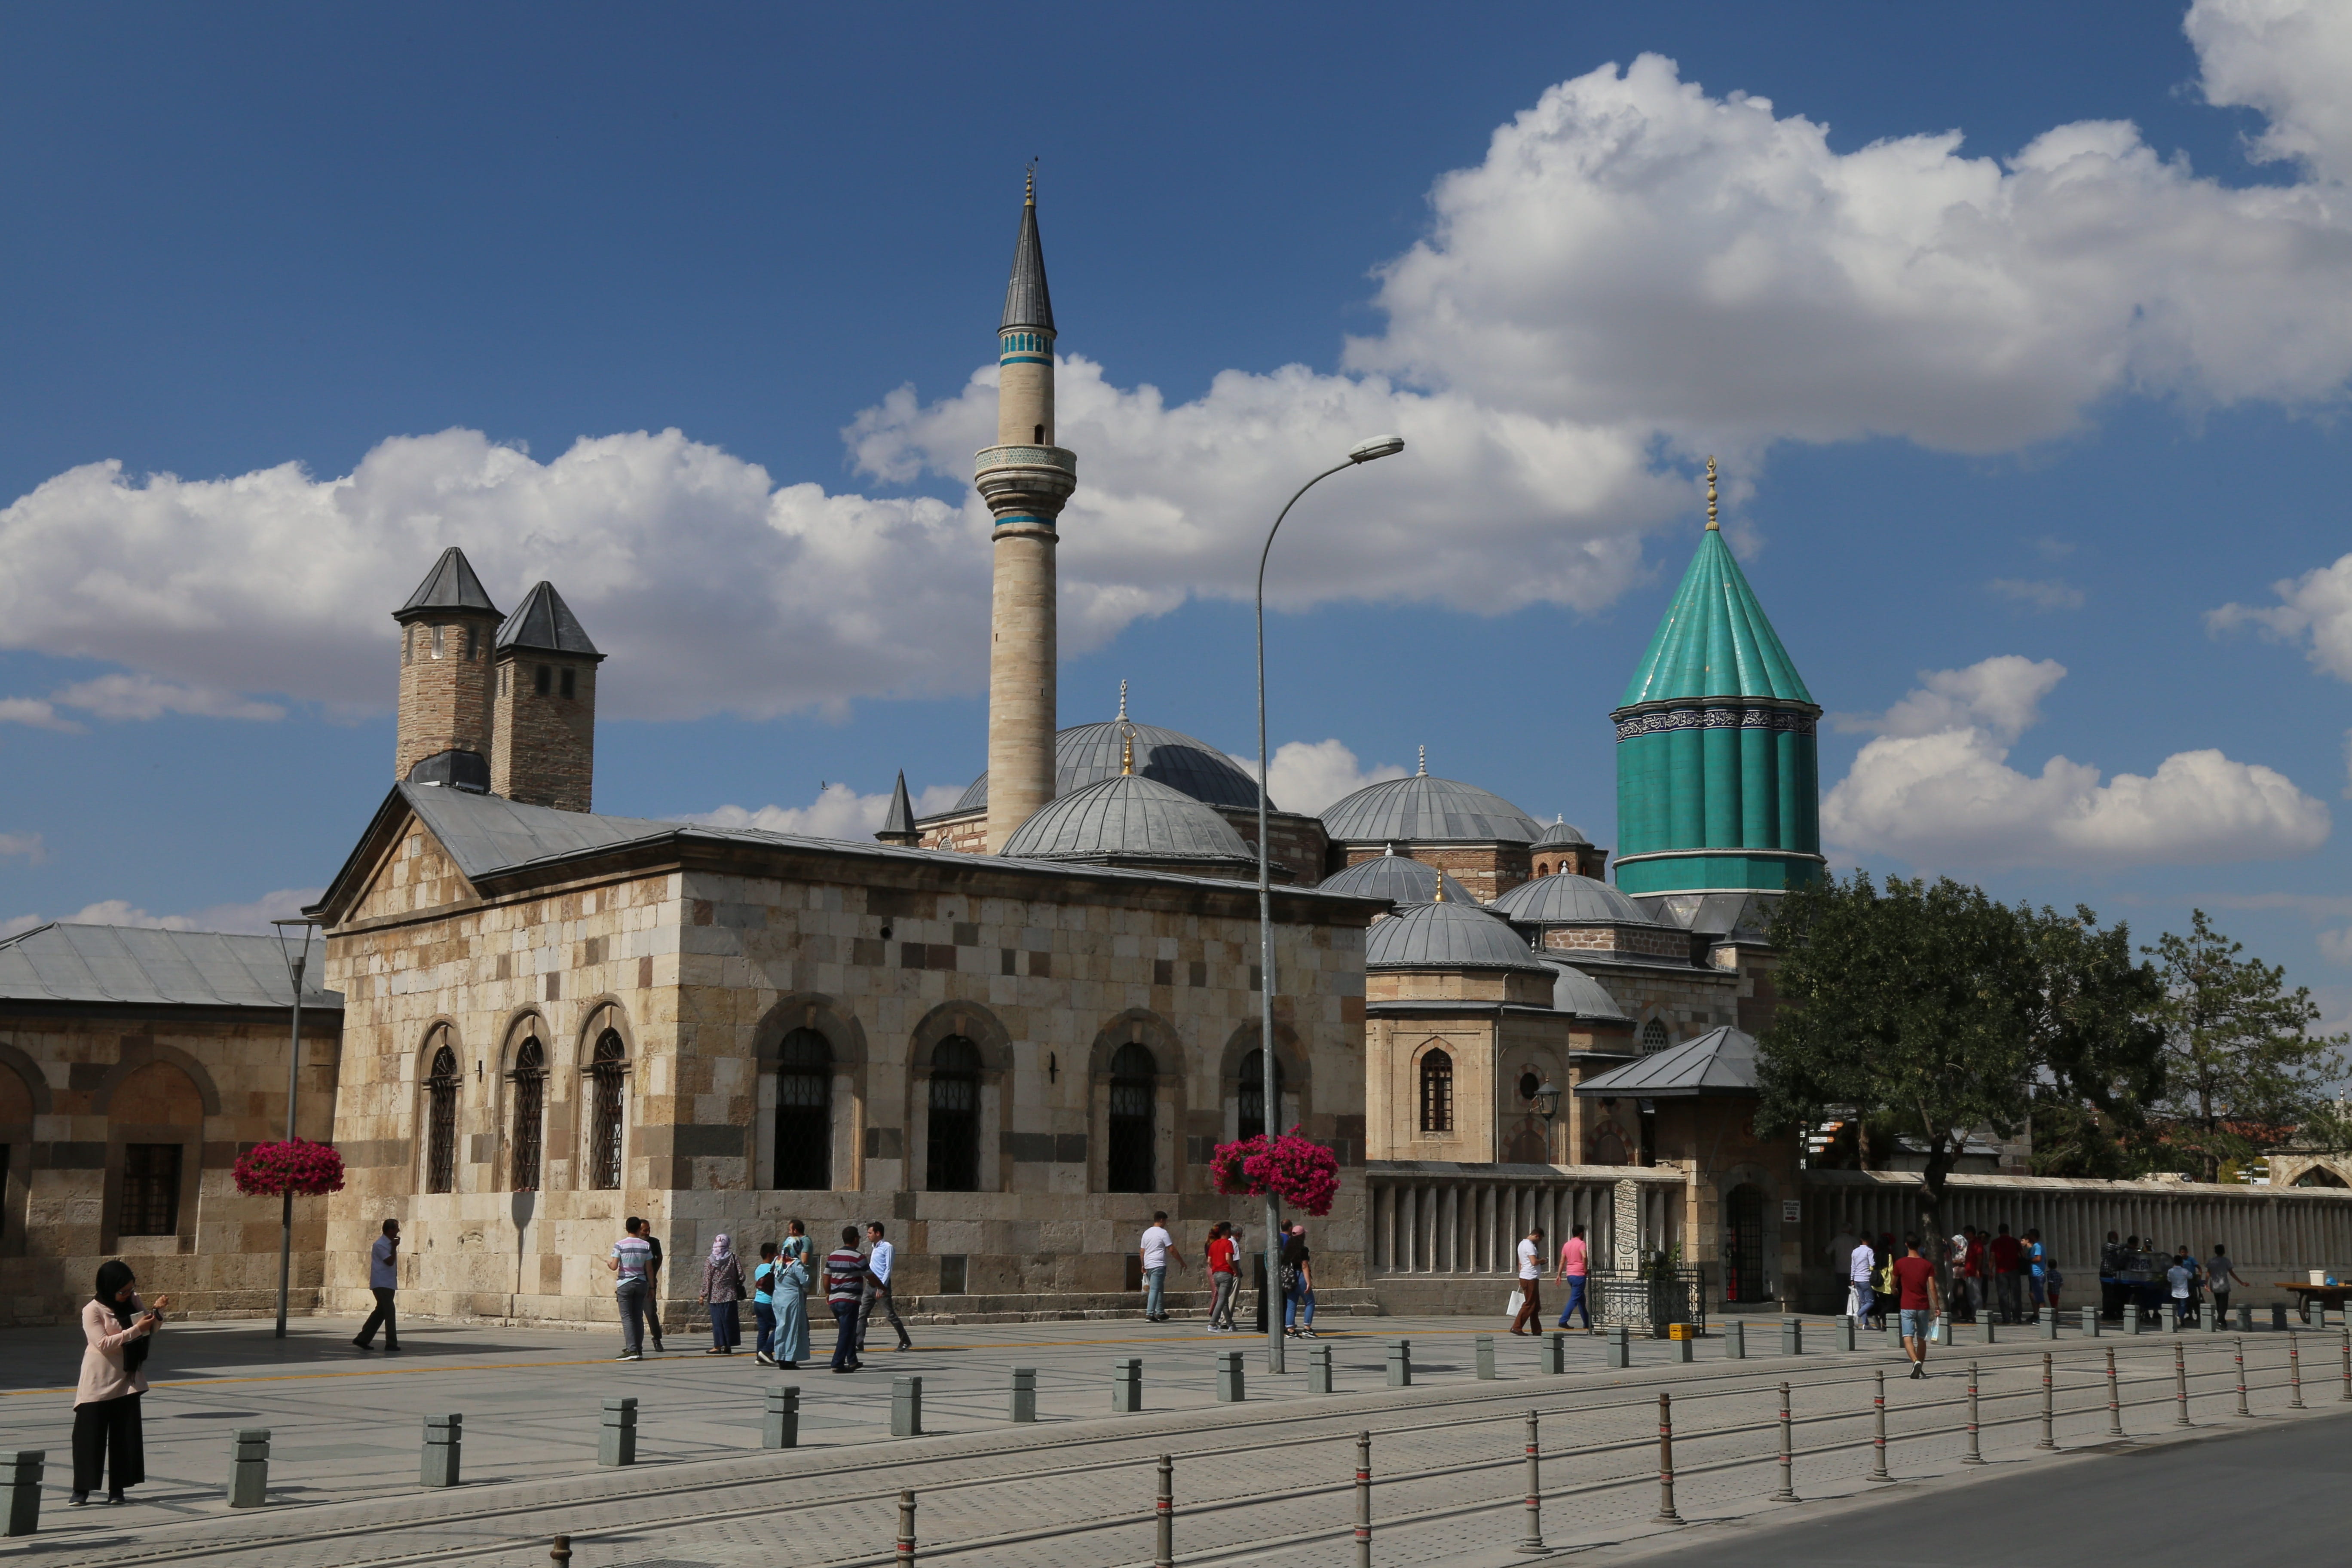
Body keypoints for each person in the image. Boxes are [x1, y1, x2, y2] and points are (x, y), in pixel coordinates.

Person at [74, 1261, 163, 1506]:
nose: (127, 1295)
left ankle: (118, 1489)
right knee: (89, 1436)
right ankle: (82, 1490)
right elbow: (103, 1343)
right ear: (108, 1287)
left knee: (125, 1436)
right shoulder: (92, 1310)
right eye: (122, 1291)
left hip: (127, 1378)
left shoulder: (133, 1300)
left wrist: (156, 1314)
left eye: (130, 1290)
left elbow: (149, 1329)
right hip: (99, 1379)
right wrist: (136, 1329)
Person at [1890, 1234, 1941, 1380]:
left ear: (1906, 1245)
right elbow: (1932, 1288)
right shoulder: (1927, 1265)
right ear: (1920, 1245)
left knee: (1907, 1337)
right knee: (1922, 1339)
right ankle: (1920, 1367)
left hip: (1907, 1305)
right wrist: (1937, 1306)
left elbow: (1893, 1283)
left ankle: (1915, 1361)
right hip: (1923, 1306)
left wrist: (1894, 1290)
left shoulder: (1900, 1264)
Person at [859, 1222, 913, 1352]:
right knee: (862, 1314)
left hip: (881, 1286)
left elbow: (888, 1269)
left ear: (878, 1233)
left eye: (870, 1233)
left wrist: (882, 1287)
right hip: (870, 1286)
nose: (868, 1236)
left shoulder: (887, 1247)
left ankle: (905, 1340)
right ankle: (858, 1343)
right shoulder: (875, 1247)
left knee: (889, 1315)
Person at [607, 1216, 654, 1360]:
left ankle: (632, 1350)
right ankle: (639, 1349)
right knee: (638, 1316)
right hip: (641, 1282)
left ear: (627, 1228)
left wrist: (609, 1264)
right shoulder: (646, 1246)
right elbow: (650, 1269)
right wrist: (652, 1287)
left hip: (625, 1283)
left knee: (627, 1317)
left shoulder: (620, 1245)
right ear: (640, 1229)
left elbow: (614, 1266)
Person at [824, 1226, 869, 1373]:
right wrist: (882, 1287)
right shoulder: (858, 1257)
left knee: (848, 1330)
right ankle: (837, 1363)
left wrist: (827, 1293)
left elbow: (826, 1277)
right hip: (849, 1300)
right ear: (856, 1239)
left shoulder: (833, 1255)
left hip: (835, 1300)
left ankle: (853, 1360)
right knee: (846, 1333)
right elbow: (870, 1276)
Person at [353, 1218, 401, 1352]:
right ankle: (391, 1343)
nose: (398, 1231)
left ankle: (363, 1339)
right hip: (382, 1283)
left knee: (380, 1313)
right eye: (396, 1228)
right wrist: (394, 1247)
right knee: (390, 1312)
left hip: (389, 1283)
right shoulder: (380, 1245)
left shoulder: (388, 1244)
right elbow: (390, 1262)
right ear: (390, 1230)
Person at [768, 1238, 812, 1369]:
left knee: (781, 1327)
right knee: (792, 1329)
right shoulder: (795, 1264)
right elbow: (805, 1281)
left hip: (778, 1299)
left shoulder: (777, 1261)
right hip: (792, 1300)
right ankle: (789, 1359)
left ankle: (780, 1355)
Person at [700, 1233, 746, 1354]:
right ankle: (728, 1346)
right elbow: (741, 1276)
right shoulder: (733, 1257)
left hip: (715, 1296)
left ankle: (718, 1346)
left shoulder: (710, 1260)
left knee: (718, 1321)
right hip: (730, 1294)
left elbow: (707, 1279)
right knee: (729, 1321)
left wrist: (703, 1294)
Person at [1139, 1213, 1176, 1323]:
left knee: (1159, 1288)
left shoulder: (1147, 1233)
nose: (1165, 1224)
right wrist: (1182, 1262)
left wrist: (1143, 1265)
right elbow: (1171, 1249)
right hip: (1158, 1264)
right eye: (1165, 1221)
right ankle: (1150, 1314)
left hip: (1149, 1264)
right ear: (1161, 1220)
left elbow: (1142, 1251)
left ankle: (1160, 1312)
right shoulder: (1163, 1233)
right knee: (1155, 1290)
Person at [1283, 1222, 1318, 1338]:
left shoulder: (1287, 1248)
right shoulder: (1303, 1249)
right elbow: (1305, 1266)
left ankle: (1290, 1329)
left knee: (1291, 1303)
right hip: (1300, 1276)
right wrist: (1309, 1282)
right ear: (1302, 1236)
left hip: (1290, 1278)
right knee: (1310, 1302)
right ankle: (1307, 1328)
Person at [1555, 1223, 1592, 1332]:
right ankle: (1563, 1320)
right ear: (1581, 1233)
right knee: (1575, 1298)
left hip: (1570, 1274)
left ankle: (1587, 1322)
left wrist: (1559, 1275)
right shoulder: (1581, 1244)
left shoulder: (1567, 1245)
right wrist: (1586, 1269)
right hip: (1579, 1274)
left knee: (1581, 1299)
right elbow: (1585, 1257)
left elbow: (1562, 1261)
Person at [751, 1242, 782, 1366]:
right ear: (770, 1255)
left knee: (763, 1330)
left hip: (758, 1302)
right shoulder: (772, 1269)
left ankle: (760, 1356)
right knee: (780, 1327)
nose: (778, 1255)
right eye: (776, 1253)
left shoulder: (759, 1268)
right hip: (768, 1303)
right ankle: (766, 1351)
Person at [1509, 1225, 1544, 1335]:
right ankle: (1517, 1327)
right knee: (1529, 1303)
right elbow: (1534, 1262)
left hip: (1525, 1276)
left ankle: (1537, 1329)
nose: (1539, 1242)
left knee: (1536, 1305)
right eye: (1540, 1239)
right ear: (1537, 1236)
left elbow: (1520, 1263)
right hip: (1530, 1277)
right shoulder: (1530, 1246)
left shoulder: (1521, 1244)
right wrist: (1542, 1261)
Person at [1205, 1222, 1240, 1332]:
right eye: (1230, 1230)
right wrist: (1235, 1270)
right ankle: (1212, 1323)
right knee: (1223, 1299)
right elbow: (1229, 1258)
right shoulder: (1228, 1243)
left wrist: (1215, 1268)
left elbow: (1209, 1261)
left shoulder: (1213, 1244)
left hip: (1216, 1274)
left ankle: (1230, 1324)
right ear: (1226, 1232)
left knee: (1223, 1300)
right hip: (1225, 1273)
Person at [1989, 1223, 2023, 1324]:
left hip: (2001, 1272)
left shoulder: (1995, 1243)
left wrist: (1991, 1271)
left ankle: (2006, 1318)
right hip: (2015, 1270)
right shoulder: (2015, 1241)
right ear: (2008, 1231)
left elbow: (1992, 1257)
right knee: (2016, 1295)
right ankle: (2017, 1318)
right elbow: (2023, 1255)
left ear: (1999, 1232)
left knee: (2003, 1296)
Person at [641, 1222, 668, 1352]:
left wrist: (654, 1272)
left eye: (649, 1230)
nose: (647, 1233)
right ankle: (634, 1342)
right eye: (644, 1230)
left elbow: (660, 1257)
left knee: (651, 1312)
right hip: (634, 1281)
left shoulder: (654, 1242)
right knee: (634, 1315)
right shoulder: (632, 1243)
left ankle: (657, 1339)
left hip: (648, 1282)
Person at [1845, 1234, 1874, 1322]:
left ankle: (1866, 1323)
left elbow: (1853, 1266)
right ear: (1869, 1240)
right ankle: (1858, 1314)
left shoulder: (1855, 1251)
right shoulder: (1869, 1251)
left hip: (1857, 1279)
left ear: (1861, 1239)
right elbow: (1872, 1264)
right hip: (1865, 1278)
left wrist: (1852, 1278)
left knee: (1863, 1302)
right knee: (1871, 1302)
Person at [2099, 1230, 2126, 1322]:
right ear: (2111, 1238)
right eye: (2115, 1237)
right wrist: (2128, 1245)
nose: (2117, 1239)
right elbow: (2118, 1246)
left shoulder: (2114, 1250)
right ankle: (2107, 1313)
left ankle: (2114, 1312)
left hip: (2112, 1274)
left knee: (2114, 1294)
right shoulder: (2107, 1246)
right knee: (2107, 1294)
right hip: (2106, 1273)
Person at [2167, 1250, 2195, 1329]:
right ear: (2182, 1262)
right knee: (2183, 1307)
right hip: (2184, 1293)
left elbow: (2169, 1280)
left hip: (2175, 1293)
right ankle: (2180, 1318)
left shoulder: (2171, 1271)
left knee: (2177, 1307)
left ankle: (2180, 1320)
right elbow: (2191, 1276)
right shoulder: (2185, 1271)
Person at [2024, 1228, 2047, 1323]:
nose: (2028, 1237)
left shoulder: (2038, 1246)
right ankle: (2036, 1314)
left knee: (2039, 1296)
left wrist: (2029, 1260)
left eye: (2029, 1235)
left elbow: (2039, 1259)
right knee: (2032, 1294)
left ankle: (2044, 1318)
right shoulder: (2035, 1246)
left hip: (2038, 1274)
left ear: (2033, 1236)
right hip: (2033, 1274)